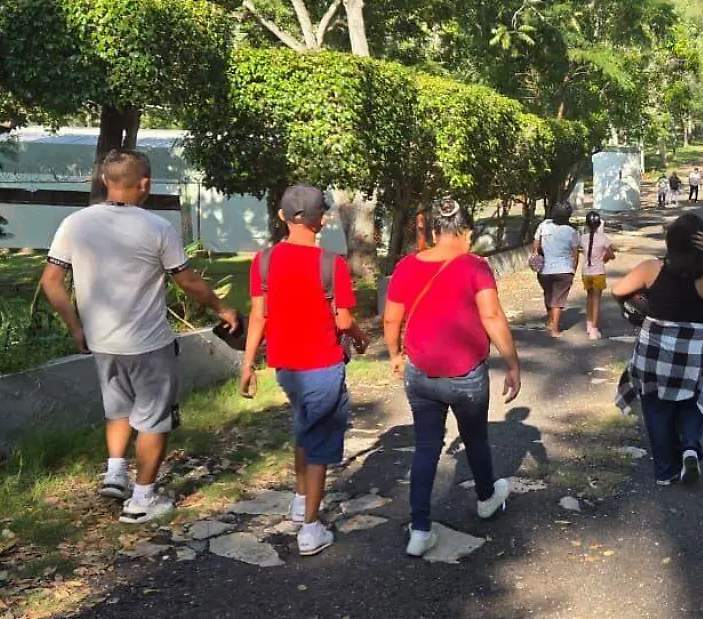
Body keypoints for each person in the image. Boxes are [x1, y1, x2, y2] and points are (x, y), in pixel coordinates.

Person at [40, 149, 239, 524]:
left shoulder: (74, 223)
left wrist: (76, 327)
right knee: (153, 420)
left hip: (101, 342)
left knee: (118, 408)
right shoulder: (157, 228)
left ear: (104, 181)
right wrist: (222, 309)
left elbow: (51, 282)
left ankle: (116, 473)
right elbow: (188, 281)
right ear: (144, 183)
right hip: (148, 344)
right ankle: (142, 500)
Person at [382, 198, 521, 557]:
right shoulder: (475, 266)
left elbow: (391, 319)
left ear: (433, 229)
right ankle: (487, 498)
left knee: (426, 446)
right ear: (465, 230)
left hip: (420, 374)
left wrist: (396, 354)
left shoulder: (406, 266)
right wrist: (512, 363)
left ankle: (420, 529)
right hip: (466, 377)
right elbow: (491, 317)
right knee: (475, 438)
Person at [239, 185, 368, 556]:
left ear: (281, 216)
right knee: (320, 445)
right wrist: (359, 335)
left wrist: (247, 365)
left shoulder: (263, 261)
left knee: (303, 427)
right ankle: (311, 528)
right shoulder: (331, 263)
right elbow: (343, 320)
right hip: (322, 366)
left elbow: (259, 316)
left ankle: (299, 500)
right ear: (322, 220)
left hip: (286, 368)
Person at [611, 214, 703, 486]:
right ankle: (689, 447)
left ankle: (666, 471)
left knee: (656, 407)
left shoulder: (651, 268)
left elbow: (617, 290)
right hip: (691, 351)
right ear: (700, 242)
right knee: (691, 401)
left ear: (670, 242)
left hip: (654, 349)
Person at [534, 203, 579, 337]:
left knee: (548, 294)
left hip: (544, 269)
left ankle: (550, 321)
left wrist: (537, 257)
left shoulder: (544, 226)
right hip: (564, 270)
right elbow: (575, 253)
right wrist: (573, 269)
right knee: (558, 300)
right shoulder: (571, 232)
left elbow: (535, 245)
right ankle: (554, 330)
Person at [579, 211, 615, 340]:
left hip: (586, 272)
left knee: (589, 298)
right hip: (598, 271)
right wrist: (604, 257)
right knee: (596, 300)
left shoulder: (583, 238)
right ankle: (594, 328)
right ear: (599, 224)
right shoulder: (603, 238)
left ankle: (589, 324)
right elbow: (611, 254)